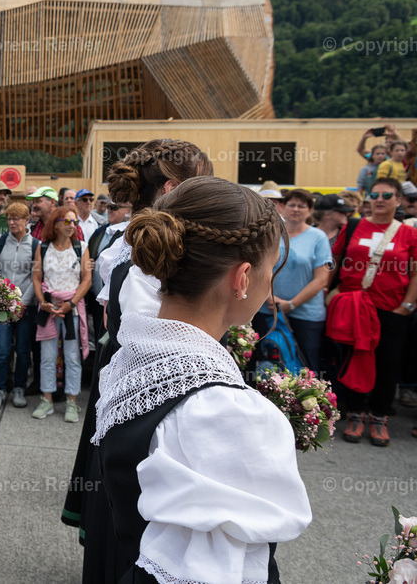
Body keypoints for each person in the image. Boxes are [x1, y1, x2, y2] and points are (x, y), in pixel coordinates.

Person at [95, 175, 311, 581]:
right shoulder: (220, 410)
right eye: (271, 267)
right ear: (242, 277)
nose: (270, 282)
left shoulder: (134, 359)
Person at [63, 138, 213, 584]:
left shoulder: (142, 247)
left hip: (130, 369)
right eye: (202, 185)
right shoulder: (150, 257)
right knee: (134, 494)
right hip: (144, 381)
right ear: (171, 187)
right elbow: (151, 335)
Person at [330, 177, 417, 447]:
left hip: (390, 310)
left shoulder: (409, 234)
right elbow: (333, 262)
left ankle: (379, 416)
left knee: (387, 365)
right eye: (374, 194)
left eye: (387, 195)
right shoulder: (354, 226)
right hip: (354, 307)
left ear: (399, 200)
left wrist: (407, 306)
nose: (379, 199)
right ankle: (356, 414)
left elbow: (415, 274)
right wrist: (327, 294)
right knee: (355, 359)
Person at [255, 189, 333, 374]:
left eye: (301, 206)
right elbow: (259, 268)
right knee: (263, 361)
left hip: (305, 315)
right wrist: (268, 296)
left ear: (310, 210)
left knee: (305, 365)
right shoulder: (272, 234)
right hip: (267, 310)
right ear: (282, 207)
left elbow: (322, 279)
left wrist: (291, 304)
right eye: (291, 204)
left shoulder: (318, 237)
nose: (296, 209)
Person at [31, 206, 91, 423]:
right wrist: (42, 302)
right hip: (48, 308)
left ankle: (71, 402)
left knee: (72, 357)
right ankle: (46, 399)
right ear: (55, 223)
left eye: (74, 222)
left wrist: (71, 303)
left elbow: (87, 280)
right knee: (46, 356)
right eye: (67, 221)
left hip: (71, 309)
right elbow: (36, 278)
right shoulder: (43, 247)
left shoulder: (81, 247)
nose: (72, 226)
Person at [0, 203, 39, 410]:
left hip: (26, 307)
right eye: (9, 218)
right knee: (1, 349)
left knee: (24, 350)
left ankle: (19, 387)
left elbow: (36, 277)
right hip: (3, 305)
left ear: (27, 220)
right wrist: (6, 300)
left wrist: (22, 303)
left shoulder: (36, 244)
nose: (11, 222)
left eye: (16, 218)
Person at [85, 200, 132, 346]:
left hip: (116, 300)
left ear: (128, 210)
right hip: (96, 294)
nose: (109, 210)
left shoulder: (127, 234)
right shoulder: (101, 231)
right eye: (108, 207)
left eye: (114, 207)